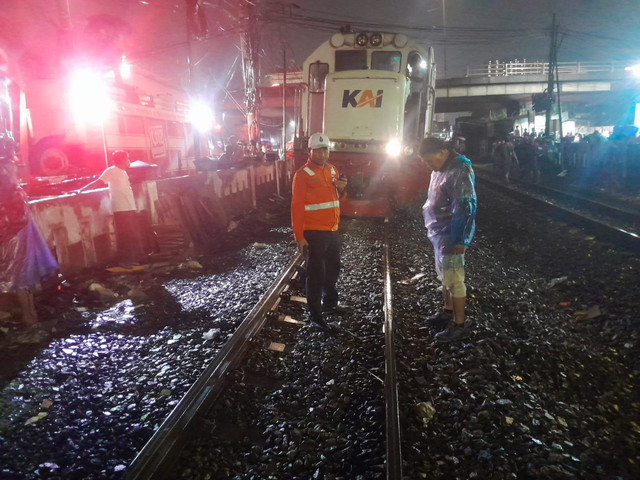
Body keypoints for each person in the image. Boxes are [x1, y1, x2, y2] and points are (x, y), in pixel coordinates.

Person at [419, 137, 477, 342]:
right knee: (445, 276)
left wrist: (460, 239)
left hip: (452, 233)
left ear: (443, 152)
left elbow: (465, 206)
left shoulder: (459, 171)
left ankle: (459, 325)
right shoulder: (442, 168)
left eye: (430, 161)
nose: (429, 165)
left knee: (454, 279)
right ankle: (447, 311)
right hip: (441, 232)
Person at [291, 133, 348, 333]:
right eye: (319, 150)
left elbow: (339, 198)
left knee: (333, 268)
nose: (323, 154)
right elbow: (296, 207)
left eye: (326, 150)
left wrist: (342, 189)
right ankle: (316, 315)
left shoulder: (333, 170)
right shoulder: (302, 174)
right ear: (310, 151)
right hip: (314, 232)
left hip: (332, 230)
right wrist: (299, 236)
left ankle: (331, 303)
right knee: (316, 275)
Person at [0, 159, 59, 327]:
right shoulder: (15, 192)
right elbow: (21, 218)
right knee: (23, 279)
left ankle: (24, 315)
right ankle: (29, 316)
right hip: (20, 241)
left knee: (14, 278)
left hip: (10, 240)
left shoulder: (8, 192)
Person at [77, 150, 142, 264]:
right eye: (127, 158)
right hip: (121, 209)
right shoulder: (111, 171)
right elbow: (97, 183)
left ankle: (135, 259)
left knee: (132, 236)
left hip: (129, 208)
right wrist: (81, 190)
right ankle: (127, 261)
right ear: (122, 160)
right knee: (125, 237)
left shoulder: (123, 172)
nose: (129, 161)